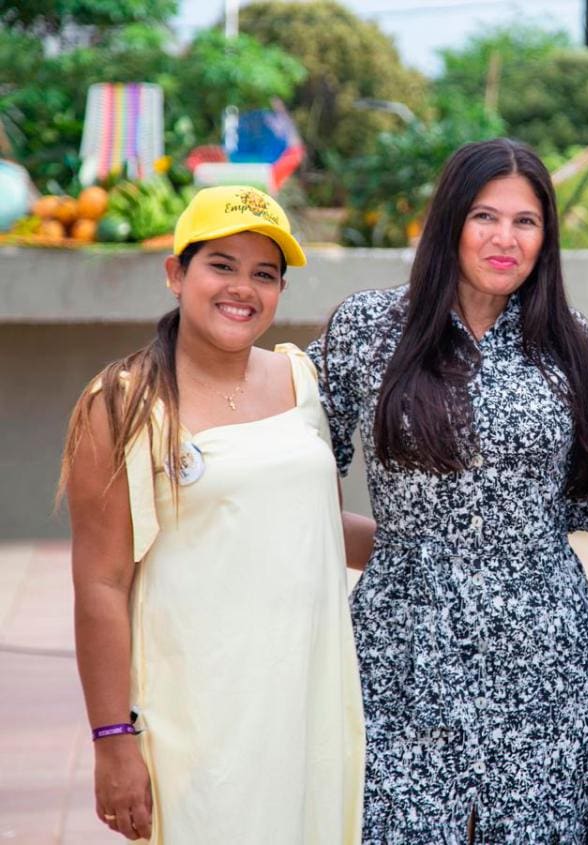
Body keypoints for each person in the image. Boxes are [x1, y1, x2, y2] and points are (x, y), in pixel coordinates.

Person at [307, 138, 588, 843]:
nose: (506, 238)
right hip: (402, 645)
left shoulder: (570, 342)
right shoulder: (368, 328)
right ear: (450, 221)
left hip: (545, 651)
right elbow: (295, 469)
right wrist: (398, 551)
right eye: (485, 216)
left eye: (526, 221)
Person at [60, 186, 367, 843]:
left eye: (264, 274)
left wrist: (436, 544)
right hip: (195, 718)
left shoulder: (301, 381)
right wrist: (113, 739)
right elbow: (101, 583)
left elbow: (314, 525)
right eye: (221, 265)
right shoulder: (122, 403)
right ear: (176, 273)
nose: (242, 289)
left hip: (305, 704)